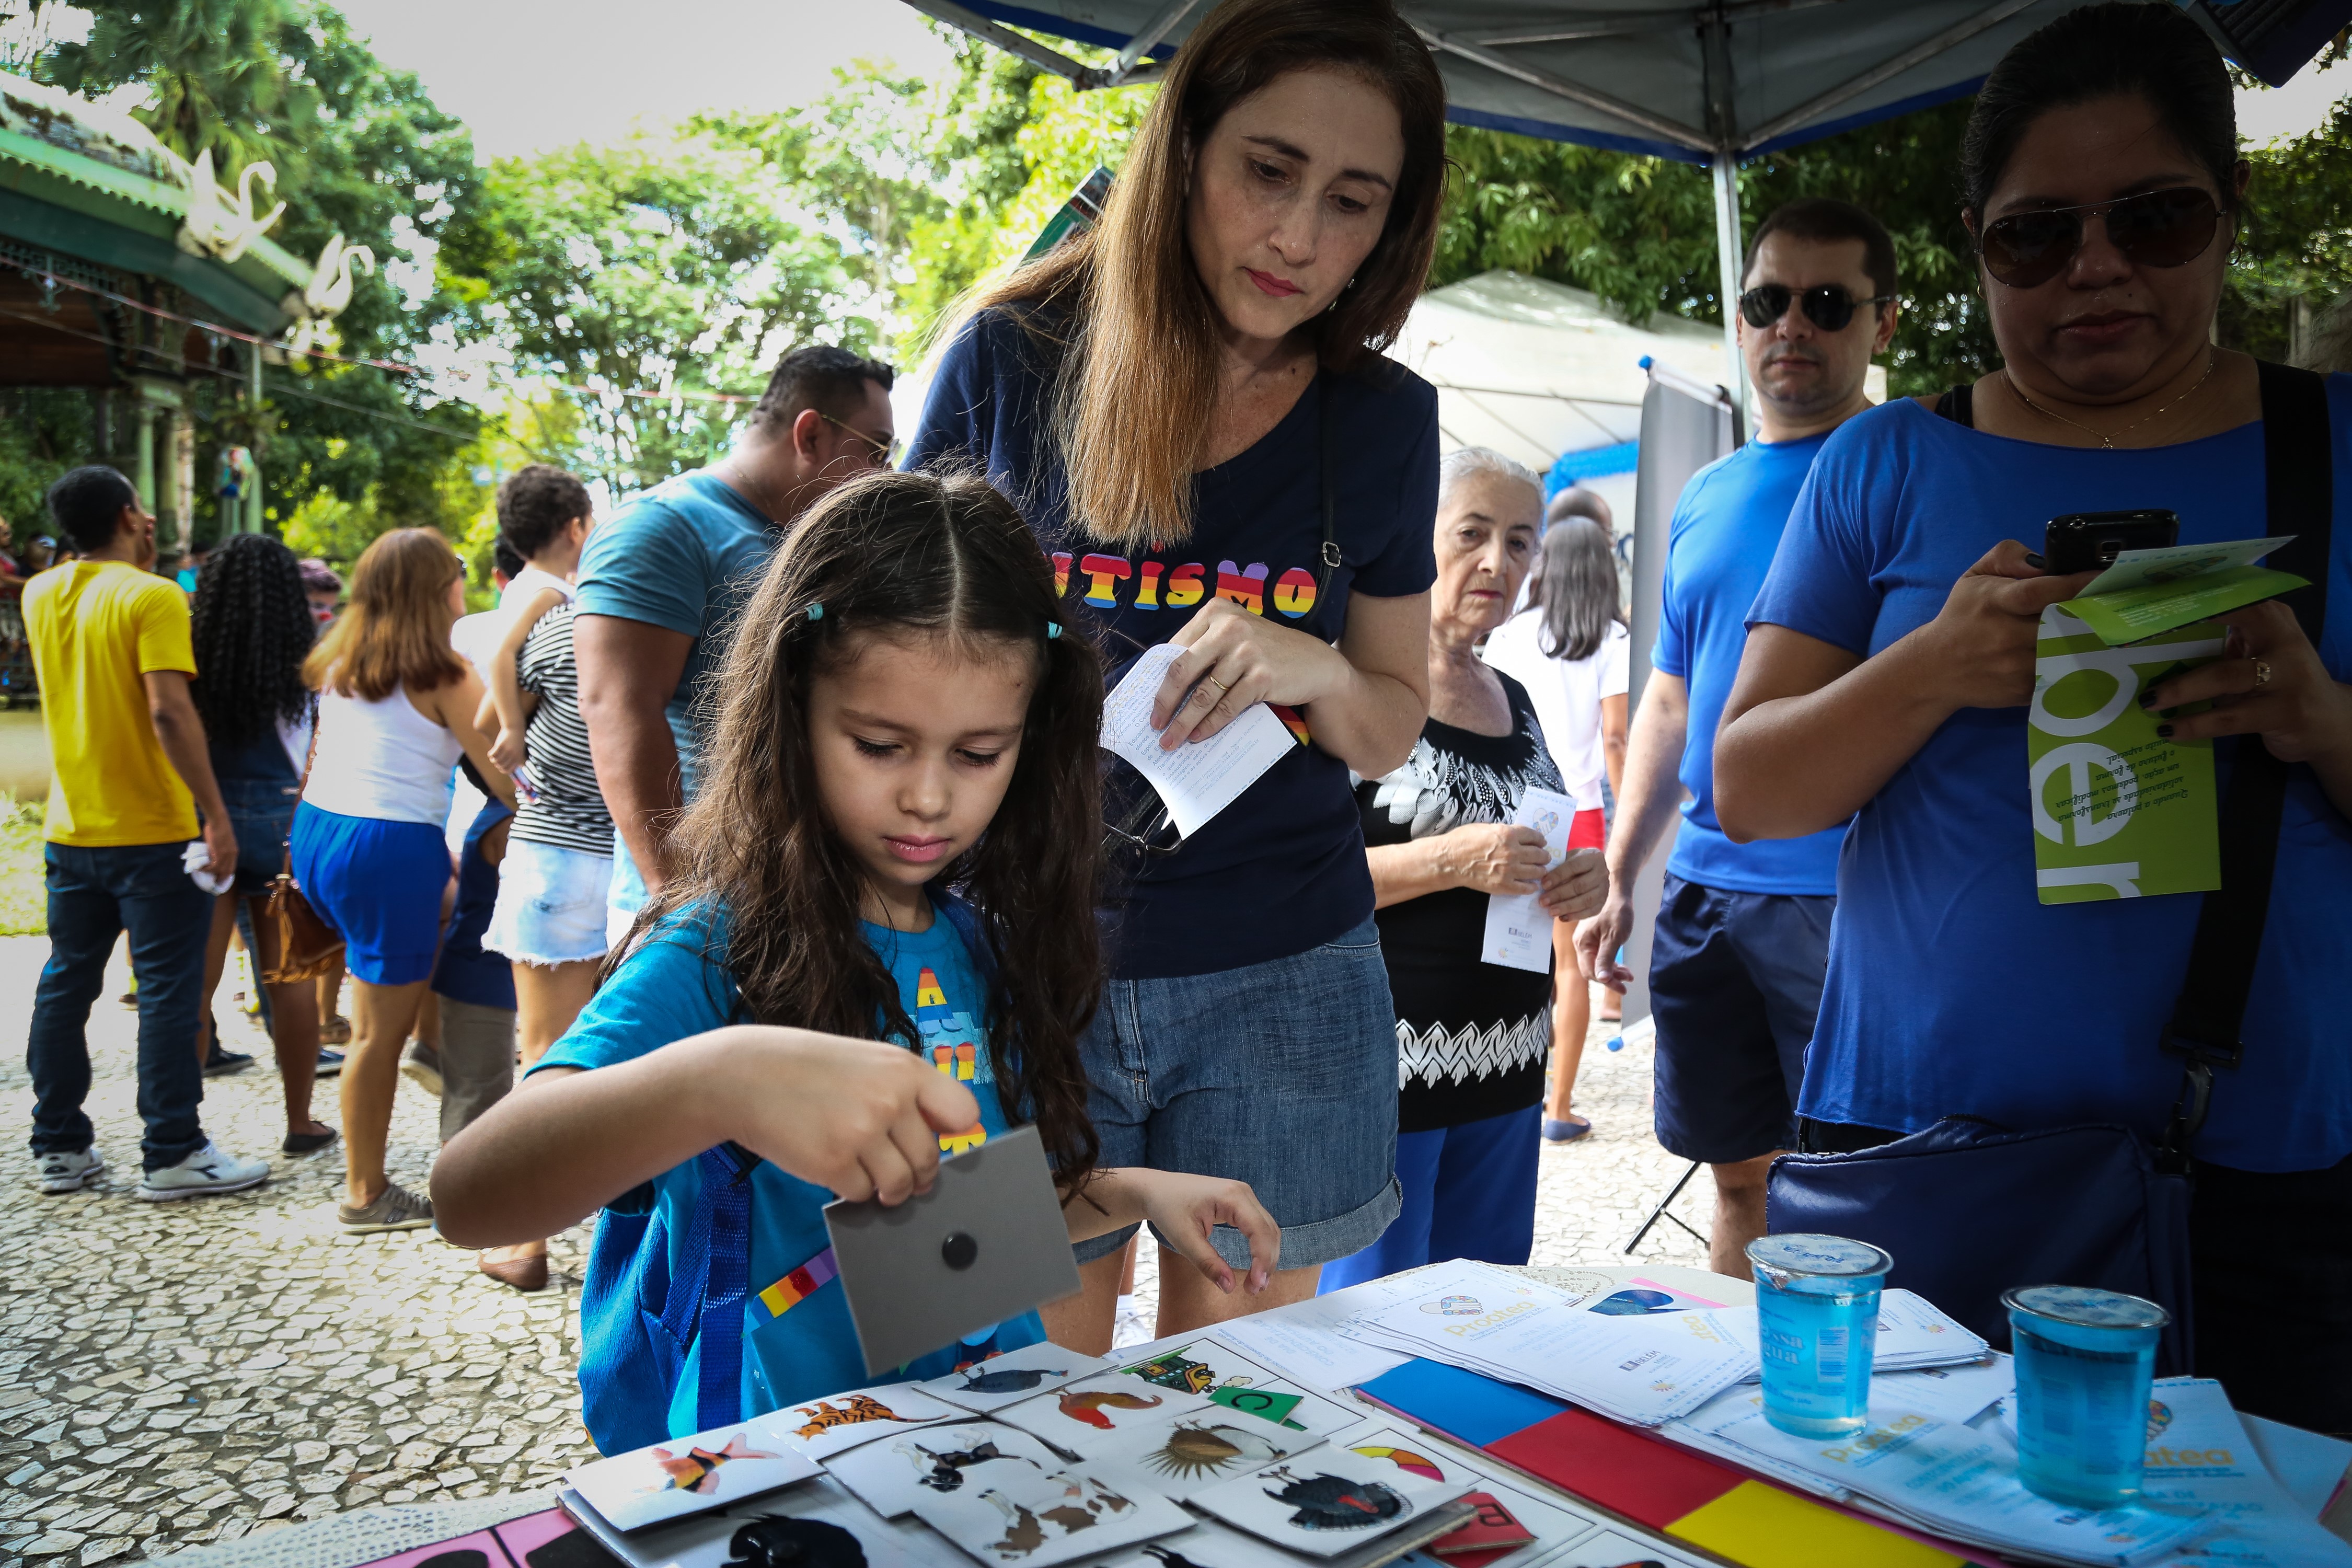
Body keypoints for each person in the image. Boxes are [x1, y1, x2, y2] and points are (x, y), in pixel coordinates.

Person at [1715, 4, 2351, 1430]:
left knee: (2255, 1519)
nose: (2095, 267)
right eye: (2034, 235)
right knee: (1906, 1512)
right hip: (1924, 1145)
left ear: (2228, 209)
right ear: (1973, 244)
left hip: (2258, 1161)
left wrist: (2315, 715)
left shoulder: (2332, 445)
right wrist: (1928, 669)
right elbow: (1748, 788)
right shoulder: (1886, 459)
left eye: (2153, 217)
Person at [432, 471, 1281, 1429]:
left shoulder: (979, 943)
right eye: (880, 745)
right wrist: (719, 1081)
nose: (929, 797)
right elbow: (470, 1196)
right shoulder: (717, 950)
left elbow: (947, 1227)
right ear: (792, 707)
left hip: (951, 1447)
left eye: (978, 754)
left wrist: (1126, 1193)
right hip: (774, 1465)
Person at [909, 0, 1446, 1347]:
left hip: (1287, 969)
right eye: (1268, 171)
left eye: (1351, 202)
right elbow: (879, 669)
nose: (1298, 237)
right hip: (1008, 955)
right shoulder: (1010, 357)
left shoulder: (1386, 420)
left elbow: (1389, 728)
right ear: (1185, 151)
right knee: (997, 1395)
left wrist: (1312, 665)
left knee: (1237, 1409)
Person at [1575, 197, 1897, 1277]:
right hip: (1706, 891)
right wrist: (1624, 874)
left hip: (1847, 893)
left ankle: (1841, 1381)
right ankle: (1736, 1376)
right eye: (1767, 302)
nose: (1791, 325)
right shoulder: (1706, 494)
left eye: (1827, 302)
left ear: (1883, 322)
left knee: (1857, 1189)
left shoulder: (1910, 468)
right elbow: (1670, 700)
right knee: (1736, 1178)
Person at [1323, 449, 1608, 1290]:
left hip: (1510, 1065)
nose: (1496, 562)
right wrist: (1451, 857)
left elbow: (1536, 847)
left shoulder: (1516, 698)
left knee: (1486, 1314)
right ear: (1420, 539)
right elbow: (1296, 879)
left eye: (1520, 543)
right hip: (1387, 1073)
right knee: (1371, 1322)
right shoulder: (1350, 686)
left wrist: (1581, 879)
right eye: (1472, 534)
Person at [576, 345, 896, 947]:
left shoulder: (803, 541)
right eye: (876, 449)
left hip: (802, 900)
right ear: (810, 435)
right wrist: (679, 907)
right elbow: (617, 709)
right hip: (703, 915)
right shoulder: (662, 526)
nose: (884, 474)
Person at [21, 466, 270, 1200]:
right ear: (131, 516)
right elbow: (168, 709)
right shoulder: (154, 596)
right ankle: (172, 1150)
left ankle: (60, 1146)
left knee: (66, 985)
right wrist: (215, 814)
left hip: (72, 828)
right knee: (167, 993)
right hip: (155, 832)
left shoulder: (40, 592)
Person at [293, 528, 514, 1233]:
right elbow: (509, 781)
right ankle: (366, 1194)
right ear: (439, 589)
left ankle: (430, 1038)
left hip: (321, 832)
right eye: (456, 572)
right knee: (370, 1036)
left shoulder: (342, 661)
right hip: (386, 849)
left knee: (446, 902)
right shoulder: (445, 674)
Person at [477, 592, 614, 1287]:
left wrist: (522, 775)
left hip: (552, 853)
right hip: (627, 859)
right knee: (617, 1055)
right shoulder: (657, 621)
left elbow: (484, 724)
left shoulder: (555, 625)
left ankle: (525, 1242)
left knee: (543, 1055)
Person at [187, 534, 336, 1157]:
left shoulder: (193, 652)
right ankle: (300, 1123)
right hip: (282, 821)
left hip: (205, 821)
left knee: (194, 984)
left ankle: (183, 1133)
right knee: (289, 977)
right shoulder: (307, 656)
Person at [1482, 514, 1629, 1143]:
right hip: (1580, 810)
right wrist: (1623, 834)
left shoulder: (1510, 633)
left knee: (1509, 956)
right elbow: (1617, 737)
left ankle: (1508, 1089)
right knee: (1570, 967)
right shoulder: (1612, 638)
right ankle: (1560, 1108)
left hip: (1512, 807)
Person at [481, 464, 593, 773]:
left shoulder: (530, 584)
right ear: (575, 529)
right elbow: (501, 653)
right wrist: (512, 727)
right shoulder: (547, 593)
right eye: (592, 523)